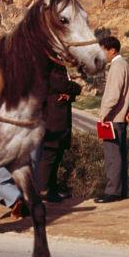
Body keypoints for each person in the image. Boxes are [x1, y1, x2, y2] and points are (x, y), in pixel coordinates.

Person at [94, 36, 129, 203]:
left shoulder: (117, 66)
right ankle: (121, 191)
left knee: (112, 156)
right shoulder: (126, 65)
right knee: (119, 155)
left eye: (102, 51)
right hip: (120, 118)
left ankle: (112, 192)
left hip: (112, 119)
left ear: (112, 50)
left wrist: (102, 115)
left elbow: (113, 95)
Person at [36, 63, 82, 202]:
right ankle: (44, 190)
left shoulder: (55, 66)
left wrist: (69, 95)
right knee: (49, 156)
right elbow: (61, 85)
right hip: (52, 121)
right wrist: (77, 87)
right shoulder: (51, 67)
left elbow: (62, 89)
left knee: (56, 157)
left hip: (58, 121)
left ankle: (52, 189)